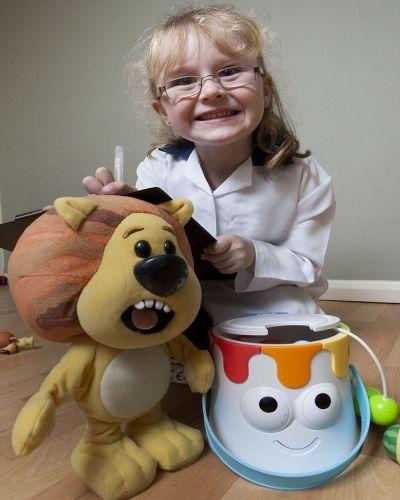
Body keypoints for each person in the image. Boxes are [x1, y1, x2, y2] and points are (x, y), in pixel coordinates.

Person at [83, 5, 335, 327]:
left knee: (304, 340)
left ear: (266, 90)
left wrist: (253, 254)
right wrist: (126, 212)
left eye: (230, 71)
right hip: (178, 300)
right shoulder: (157, 168)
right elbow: (150, 252)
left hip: (274, 301)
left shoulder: (305, 177)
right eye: (184, 80)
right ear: (162, 111)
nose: (212, 91)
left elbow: (308, 265)